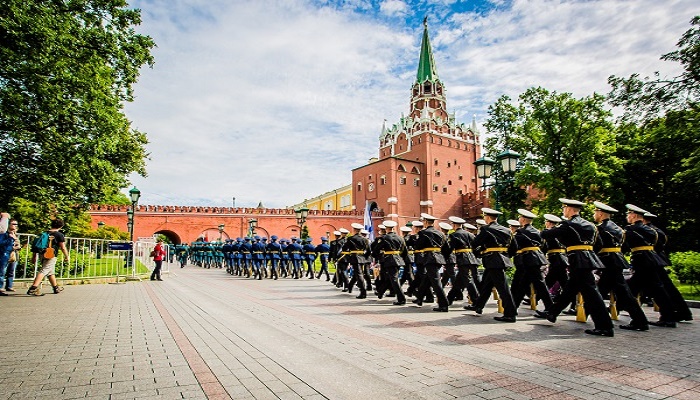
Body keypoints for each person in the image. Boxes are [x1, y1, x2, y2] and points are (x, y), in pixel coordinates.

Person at [536, 199, 614, 337]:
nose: (563, 211)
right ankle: (552, 312)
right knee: (570, 289)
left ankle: (605, 326)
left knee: (592, 294)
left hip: (578, 260)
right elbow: (599, 245)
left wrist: (545, 231)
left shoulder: (568, 224)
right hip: (586, 258)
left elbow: (546, 235)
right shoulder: (591, 225)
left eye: (564, 208)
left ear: (570, 209)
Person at [592, 201, 649, 331]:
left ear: (600, 214)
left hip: (607, 262)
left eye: (595, 212)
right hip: (616, 261)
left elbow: (598, 246)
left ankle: (603, 324)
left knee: (601, 293)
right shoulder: (617, 228)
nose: (594, 214)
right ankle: (639, 321)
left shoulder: (600, 229)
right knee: (618, 293)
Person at [623, 204, 677, 327]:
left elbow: (624, 245)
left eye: (629, 214)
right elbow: (658, 245)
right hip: (652, 260)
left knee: (628, 291)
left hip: (641, 261)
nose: (627, 216)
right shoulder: (651, 230)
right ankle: (669, 317)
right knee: (658, 290)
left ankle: (638, 320)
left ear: (634, 216)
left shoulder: (630, 229)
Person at [464, 208, 518, 322]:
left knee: (503, 288)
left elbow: (475, 243)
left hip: (492, 260)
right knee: (486, 285)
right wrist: (506, 256)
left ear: (487, 217)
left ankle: (510, 313)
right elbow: (514, 247)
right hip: (501, 259)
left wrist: (479, 252)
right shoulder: (507, 230)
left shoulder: (486, 229)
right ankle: (478, 306)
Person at [508, 209, 553, 313]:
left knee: (540, 284)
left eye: (520, 217)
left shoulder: (521, 232)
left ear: (523, 219)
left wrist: (508, 254)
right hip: (536, 258)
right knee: (523, 285)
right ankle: (512, 310)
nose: (519, 219)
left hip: (529, 259)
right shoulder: (537, 231)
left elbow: (513, 246)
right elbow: (543, 245)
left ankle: (550, 309)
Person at [412, 214, 450, 312]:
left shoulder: (423, 233)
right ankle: (419, 298)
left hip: (430, 258)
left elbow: (418, 246)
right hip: (439, 258)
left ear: (425, 222)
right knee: (427, 279)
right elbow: (447, 249)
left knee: (436, 282)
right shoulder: (441, 233)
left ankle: (444, 304)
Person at [27, 218, 70, 296]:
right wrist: (67, 256)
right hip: (51, 255)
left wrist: (34, 256)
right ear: (61, 226)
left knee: (50, 271)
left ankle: (56, 288)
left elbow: (37, 244)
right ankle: (33, 288)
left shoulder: (45, 233)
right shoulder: (59, 234)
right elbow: (63, 247)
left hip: (42, 254)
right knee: (44, 270)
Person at [373, 220, 408, 305]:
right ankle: (381, 292)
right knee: (390, 278)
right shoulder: (400, 238)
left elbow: (376, 250)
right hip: (398, 260)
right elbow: (405, 251)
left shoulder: (384, 238)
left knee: (394, 279)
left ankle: (401, 299)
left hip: (389, 260)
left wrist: (377, 257)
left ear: (386, 228)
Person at [343, 223, 370, 298]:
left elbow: (344, 249)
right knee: (357, 273)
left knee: (359, 274)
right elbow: (368, 251)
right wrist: (364, 257)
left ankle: (363, 292)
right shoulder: (365, 239)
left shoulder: (350, 238)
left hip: (354, 258)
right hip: (362, 258)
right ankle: (350, 286)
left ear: (354, 230)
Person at [3, 219, 22, 293]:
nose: (15, 226)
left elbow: (18, 244)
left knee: (11, 271)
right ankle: (1, 286)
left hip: (14, 254)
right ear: (9, 224)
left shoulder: (16, 234)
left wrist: (18, 247)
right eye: (13, 224)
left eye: (16, 224)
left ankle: (9, 286)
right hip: (6, 254)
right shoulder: (4, 234)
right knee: (3, 271)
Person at [0, 213, 15, 296]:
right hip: (3, 253)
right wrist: (10, 239)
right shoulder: (3, 234)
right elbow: (1, 243)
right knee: (1, 271)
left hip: (6, 253)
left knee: (2, 271)